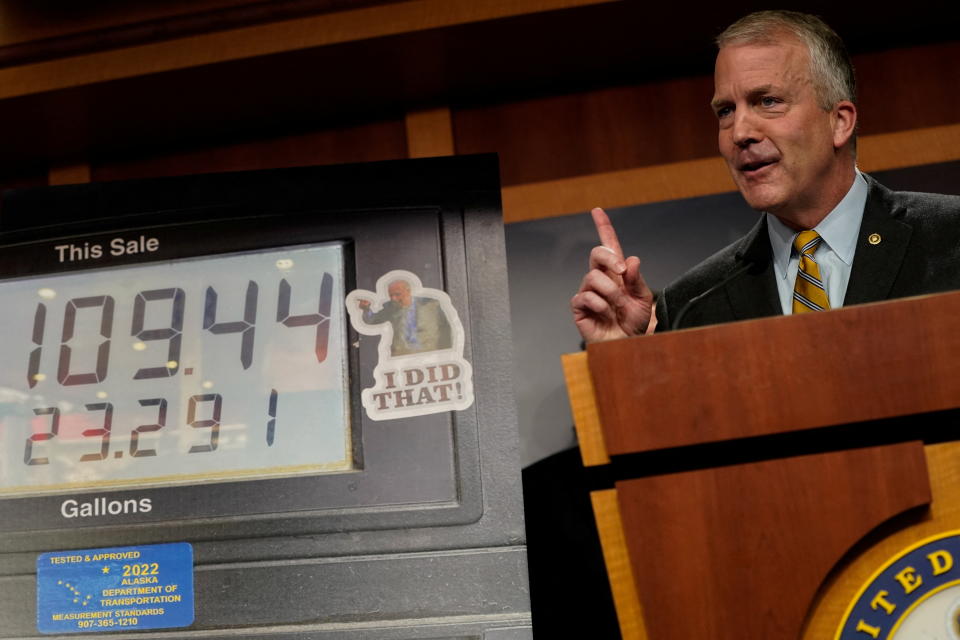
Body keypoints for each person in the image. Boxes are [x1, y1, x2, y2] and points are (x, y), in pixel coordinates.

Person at [571, 10, 960, 341]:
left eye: (767, 101)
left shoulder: (950, 236)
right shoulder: (693, 305)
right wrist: (631, 357)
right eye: (725, 111)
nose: (740, 133)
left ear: (839, 122)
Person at [357, 278, 452, 356]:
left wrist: (446, 353)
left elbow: (446, 329)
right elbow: (371, 321)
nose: (394, 298)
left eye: (397, 294)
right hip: (402, 358)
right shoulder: (389, 307)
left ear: (408, 291)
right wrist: (366, 309)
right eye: (391, 295)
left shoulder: (431, 304)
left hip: (430, 355)